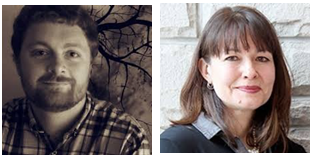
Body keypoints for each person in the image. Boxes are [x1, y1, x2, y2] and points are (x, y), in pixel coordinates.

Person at [2, 5, 150, 155]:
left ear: (91, 65)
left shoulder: (127, 139)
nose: (58, 67)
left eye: (72, 54)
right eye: (40, 52)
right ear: (18, 63)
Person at [160, 6, 306, 153]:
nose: (250, 72)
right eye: (232, 58)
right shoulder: (174, 146)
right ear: (206, 70)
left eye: (262, 58)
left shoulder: (291, 150)